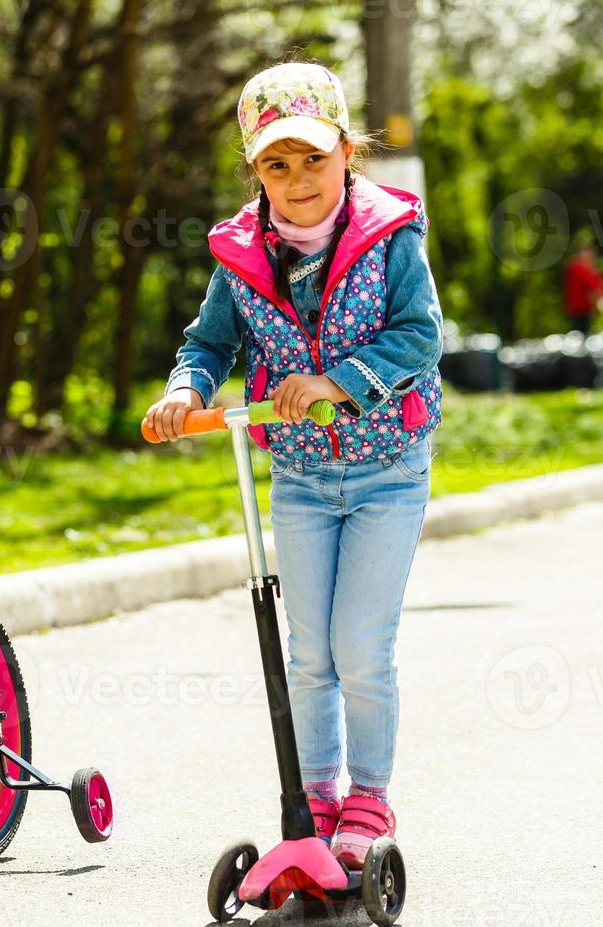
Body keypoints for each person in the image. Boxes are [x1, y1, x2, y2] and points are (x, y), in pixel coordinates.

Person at [142, 62, 444, 869]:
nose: (299, 179)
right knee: (307, 647)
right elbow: (209, 343)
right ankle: (317, 795)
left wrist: (339, 383)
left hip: (388, 468)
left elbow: (419, 337)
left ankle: (370, 799)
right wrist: (186, 388)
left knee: (359, 643)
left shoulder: (391, 236)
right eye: (277, 164)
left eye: (315, 157)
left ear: (348, 152)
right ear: (255, 172)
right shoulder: (240, 255)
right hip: (303, 477)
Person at [563, 242, 603, 335]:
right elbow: (594, 285)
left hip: (576, 307)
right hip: (580, 307)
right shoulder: (579, 267)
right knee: (582, 333)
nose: (592, 256)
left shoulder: (574, 266)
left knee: (579, 332)